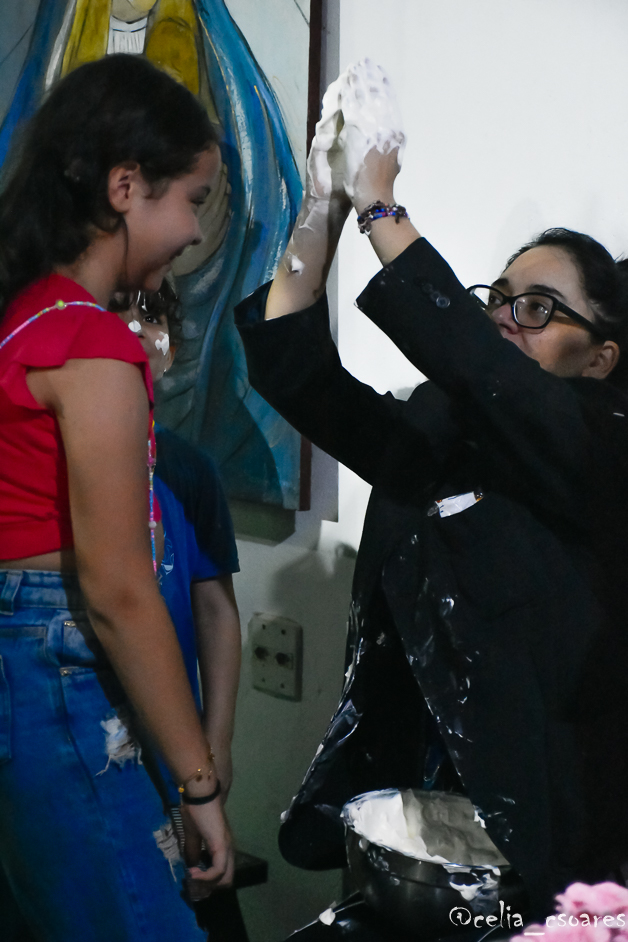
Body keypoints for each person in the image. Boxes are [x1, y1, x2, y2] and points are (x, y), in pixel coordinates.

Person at [234, 60, 628, 918]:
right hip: (405, 823)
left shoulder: (603, 449)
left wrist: (383, 204)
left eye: (538, 309)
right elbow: (298, 371)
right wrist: (324, 207)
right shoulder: (440, 435)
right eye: (499, 300)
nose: (503, 320)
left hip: (549, 849)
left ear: (602, 357)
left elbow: (485, 370)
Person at [0, 54, 233, 941]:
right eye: (192, 201)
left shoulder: (22, 319)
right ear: (125, 186)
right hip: (51, 666)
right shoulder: (90, 344)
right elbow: (120, 591)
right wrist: (199, 782)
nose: (193, 231)